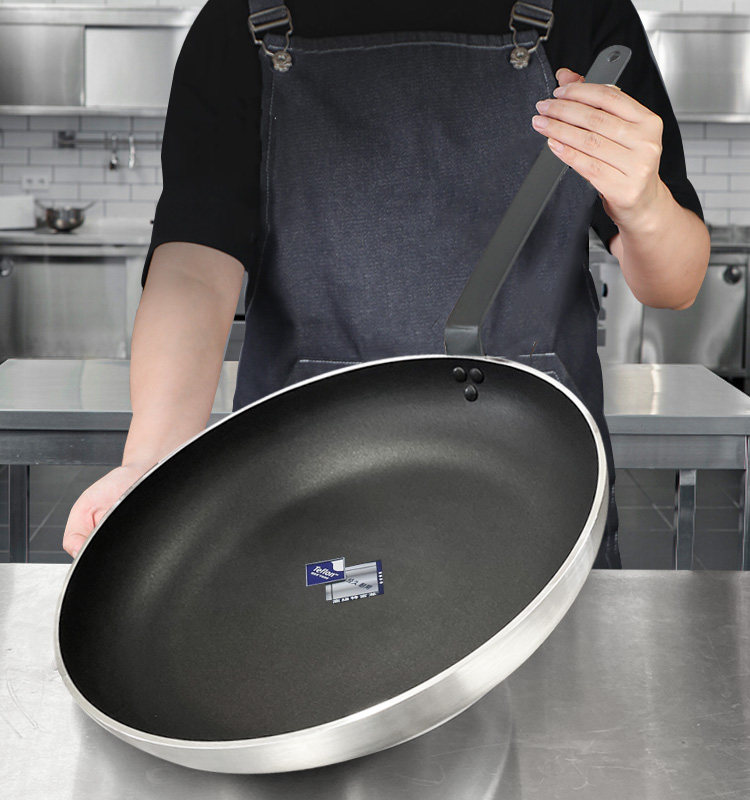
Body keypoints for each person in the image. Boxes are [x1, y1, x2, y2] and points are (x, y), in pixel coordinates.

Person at [62, 0, 710, 565]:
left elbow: (674, 286)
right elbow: (196, 266)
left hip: (538, 479)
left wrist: (644, 201)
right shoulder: (239, 18)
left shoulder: (583, 11)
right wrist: (150, 463)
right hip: (302, 479)